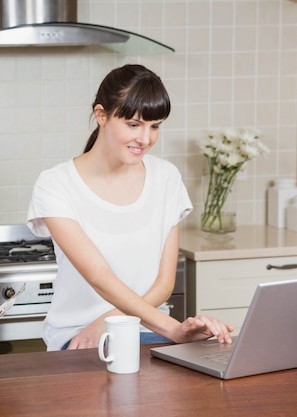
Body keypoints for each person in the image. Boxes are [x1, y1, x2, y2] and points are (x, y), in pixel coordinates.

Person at [26, 64, 234, 351]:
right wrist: (175, 330)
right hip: (80, 335)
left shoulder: (166, 178)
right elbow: (100, 277)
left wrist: (111, 320)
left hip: (148, 330)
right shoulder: (56, 184)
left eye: (155, 126)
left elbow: (164, 283)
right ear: (101, 115)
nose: (145, 139)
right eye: (134, 125)